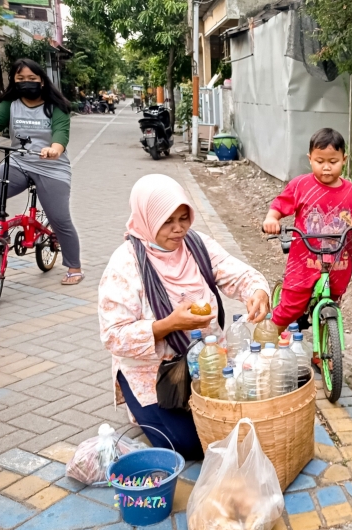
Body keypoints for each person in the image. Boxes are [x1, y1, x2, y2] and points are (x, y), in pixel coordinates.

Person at [99, 174, 271, 459]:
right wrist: (169, 325)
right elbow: (114, 335)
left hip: (209, 359)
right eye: (167, 221)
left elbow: (237, 273)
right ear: (147, 219)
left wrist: (257, 291)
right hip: (152, 371)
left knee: (234, 424)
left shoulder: (196, 245)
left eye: (184, 218)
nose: (178, 229)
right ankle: (138, 406)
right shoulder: (125, 264)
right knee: (188, 443)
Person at [262, 128, 352, 330]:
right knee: (290, 308)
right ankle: (268, 345)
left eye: (332, 162)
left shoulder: (349, 189)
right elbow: (280, 205)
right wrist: (272, 218)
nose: (326, 167)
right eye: (320, 161)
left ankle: (323, 353)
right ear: (310, 159)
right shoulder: (301, 185)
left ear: (344, 159)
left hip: (337, 261)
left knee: (331, 304)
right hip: (305, 261)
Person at [0, 58, 84, 285]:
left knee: (59, 219)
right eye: (20, 79)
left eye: (31, 79)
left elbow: (61, 134)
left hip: (52, 167)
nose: (25, 83)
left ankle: (74, 267)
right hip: (19, 162)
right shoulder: (10, 105)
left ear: (41, 81)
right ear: (13, 81)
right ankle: (1, 234)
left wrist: (54, 149)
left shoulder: (54, 107)